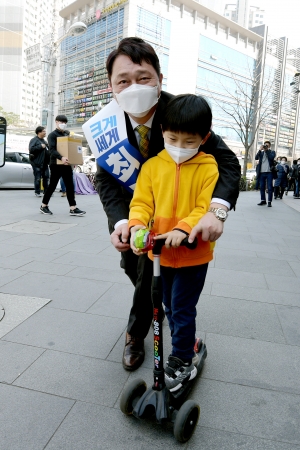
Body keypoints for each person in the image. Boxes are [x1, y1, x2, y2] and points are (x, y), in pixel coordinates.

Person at [95, 37, 241, 371]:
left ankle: (138, 334)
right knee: (136, 270)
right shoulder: (104, 126)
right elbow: (105, 179)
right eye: (123, 80)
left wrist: (216, 211)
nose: (134, 86)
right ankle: (160, 316)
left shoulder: (183, 112)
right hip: (138, 217)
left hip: (182, 222)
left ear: (159, 78)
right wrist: (122, 223)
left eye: (143, 77)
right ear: (111, 86)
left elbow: (228, 163)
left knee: (156, 283)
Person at [129, 94, 219, 390]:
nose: (179, 147)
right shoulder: (153, 166)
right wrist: (137, 227)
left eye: (189, 142)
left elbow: (202, 206)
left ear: (204, 138)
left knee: (181, 308)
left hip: (193, 254)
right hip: (160, 254)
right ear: (163, 131)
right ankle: (188, 342)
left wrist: (183, 228)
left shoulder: (208, 167)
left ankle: (182, 358)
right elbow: (141, 202)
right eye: (172, 138)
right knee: (166, 304)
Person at [40, 115, 86, 216]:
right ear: (56, 122)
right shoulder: (52, 135)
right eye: (61, 122)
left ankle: (73, 208)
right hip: (56, 164)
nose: (63, 124)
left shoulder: (66, 134)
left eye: (65, 122)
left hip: (67, 164)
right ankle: (44, 206)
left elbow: (70, 148)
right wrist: (61, 158)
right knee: (52, 186)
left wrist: (73, 159)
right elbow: (52, 149)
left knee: (69, 186)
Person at [29, 126, 50, 197]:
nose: (45, 132)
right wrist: (40, 146)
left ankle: (46, 191)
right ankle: (37, 192)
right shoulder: (34, 140)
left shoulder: (44, 141)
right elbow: (31, 149)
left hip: (45, 163)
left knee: (46, 177)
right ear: (39, 132)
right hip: (37, 163)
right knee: (38, 178)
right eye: (44, 131)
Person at [255, 141, 276, 207]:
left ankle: (269, 202)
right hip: (261, 172)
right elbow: (256, 158)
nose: (265, 146)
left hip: (269, 172)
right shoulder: (261, 153)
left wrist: (266, 151)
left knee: (269, 187)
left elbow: (271, 158)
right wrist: (259, 150)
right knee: (262, 187)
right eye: (265, 145)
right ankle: (263, 200)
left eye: (267, 145)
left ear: (269, 146)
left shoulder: (272, 152)